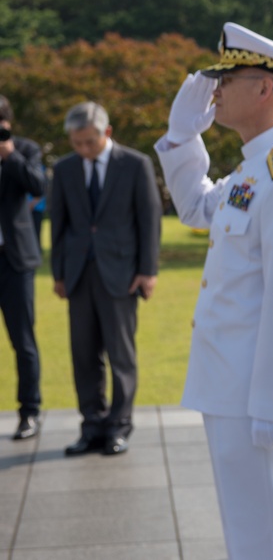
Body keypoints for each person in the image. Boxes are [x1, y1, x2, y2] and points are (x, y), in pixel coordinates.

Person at [155, 22, 273, 560]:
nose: (216, 90)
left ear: (265, 88)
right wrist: (182, 140)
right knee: (249, 530)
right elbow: (196, 208)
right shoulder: (256, 168)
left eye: (229, 77)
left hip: (256, 394)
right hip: (232, 384)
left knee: (272, 531)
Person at [50, 101, 161, 456]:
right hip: (79, 275)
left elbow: (149, 219)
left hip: (123, 275)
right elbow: (59, 224)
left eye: (89, 142)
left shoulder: (135, 164)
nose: (83, 149)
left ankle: (119, 425)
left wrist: (148, 271)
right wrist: (59, 274)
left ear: (107, 133)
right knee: (83, 354)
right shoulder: (65, 169)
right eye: (76, 143)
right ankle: (92, 426)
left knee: (120, 354)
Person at [0, 95, 46, 440]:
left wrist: (8, 153)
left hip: (14, 260)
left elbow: (38, 185)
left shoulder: (25, 150)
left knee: (23, 340)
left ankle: (29, 412)